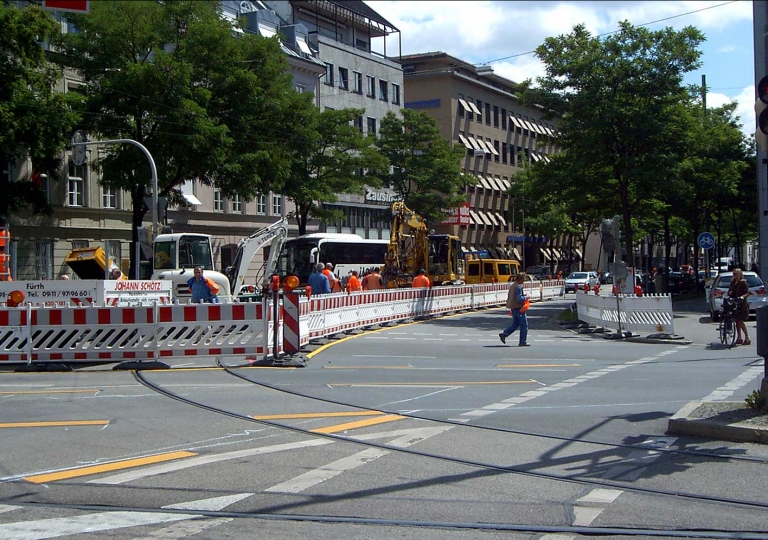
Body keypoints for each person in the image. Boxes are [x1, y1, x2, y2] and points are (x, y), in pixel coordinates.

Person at [499, 272, 530, 347]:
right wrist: (526, 297)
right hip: (519, 308)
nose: (524, 280)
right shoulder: (518, 287)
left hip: (513, 307)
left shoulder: (513, 285)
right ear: (520, 279)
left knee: (516, 323)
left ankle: (505, 334)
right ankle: (522, 341)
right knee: (524, 325)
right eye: (523, 279)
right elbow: (519, 299)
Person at [727, 267, 751, 345]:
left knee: (740, 320)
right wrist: (730, 292)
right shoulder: (733, 283)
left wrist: (743, 296)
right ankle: (739, 338)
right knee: (737, 321)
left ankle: (747, 338)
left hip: (742, 304)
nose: (734, 275)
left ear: (739, 274)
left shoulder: (743, 282)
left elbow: (747, 292)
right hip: (735, 303)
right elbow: (729, 291)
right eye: (733, 274)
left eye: (735, 274)